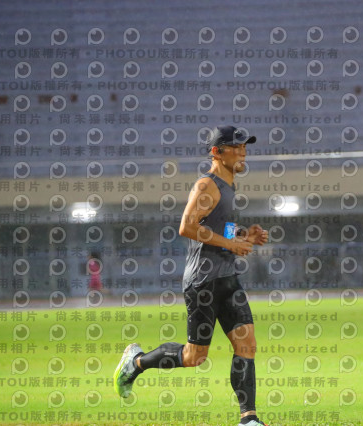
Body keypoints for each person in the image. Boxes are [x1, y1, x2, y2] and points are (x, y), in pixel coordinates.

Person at [113, 125, 269, 426]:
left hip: (227, 277)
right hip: (203, 282)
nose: (243, 152)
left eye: (244, 146)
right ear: (217, 152)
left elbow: (216, 228)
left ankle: (248, 419)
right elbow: (187, 226)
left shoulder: (229, 186)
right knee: (193, 357)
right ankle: (137, 362)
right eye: (236, 147)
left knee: (246, 344)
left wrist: (243, 234)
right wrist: (232, 244)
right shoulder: (207, 185)